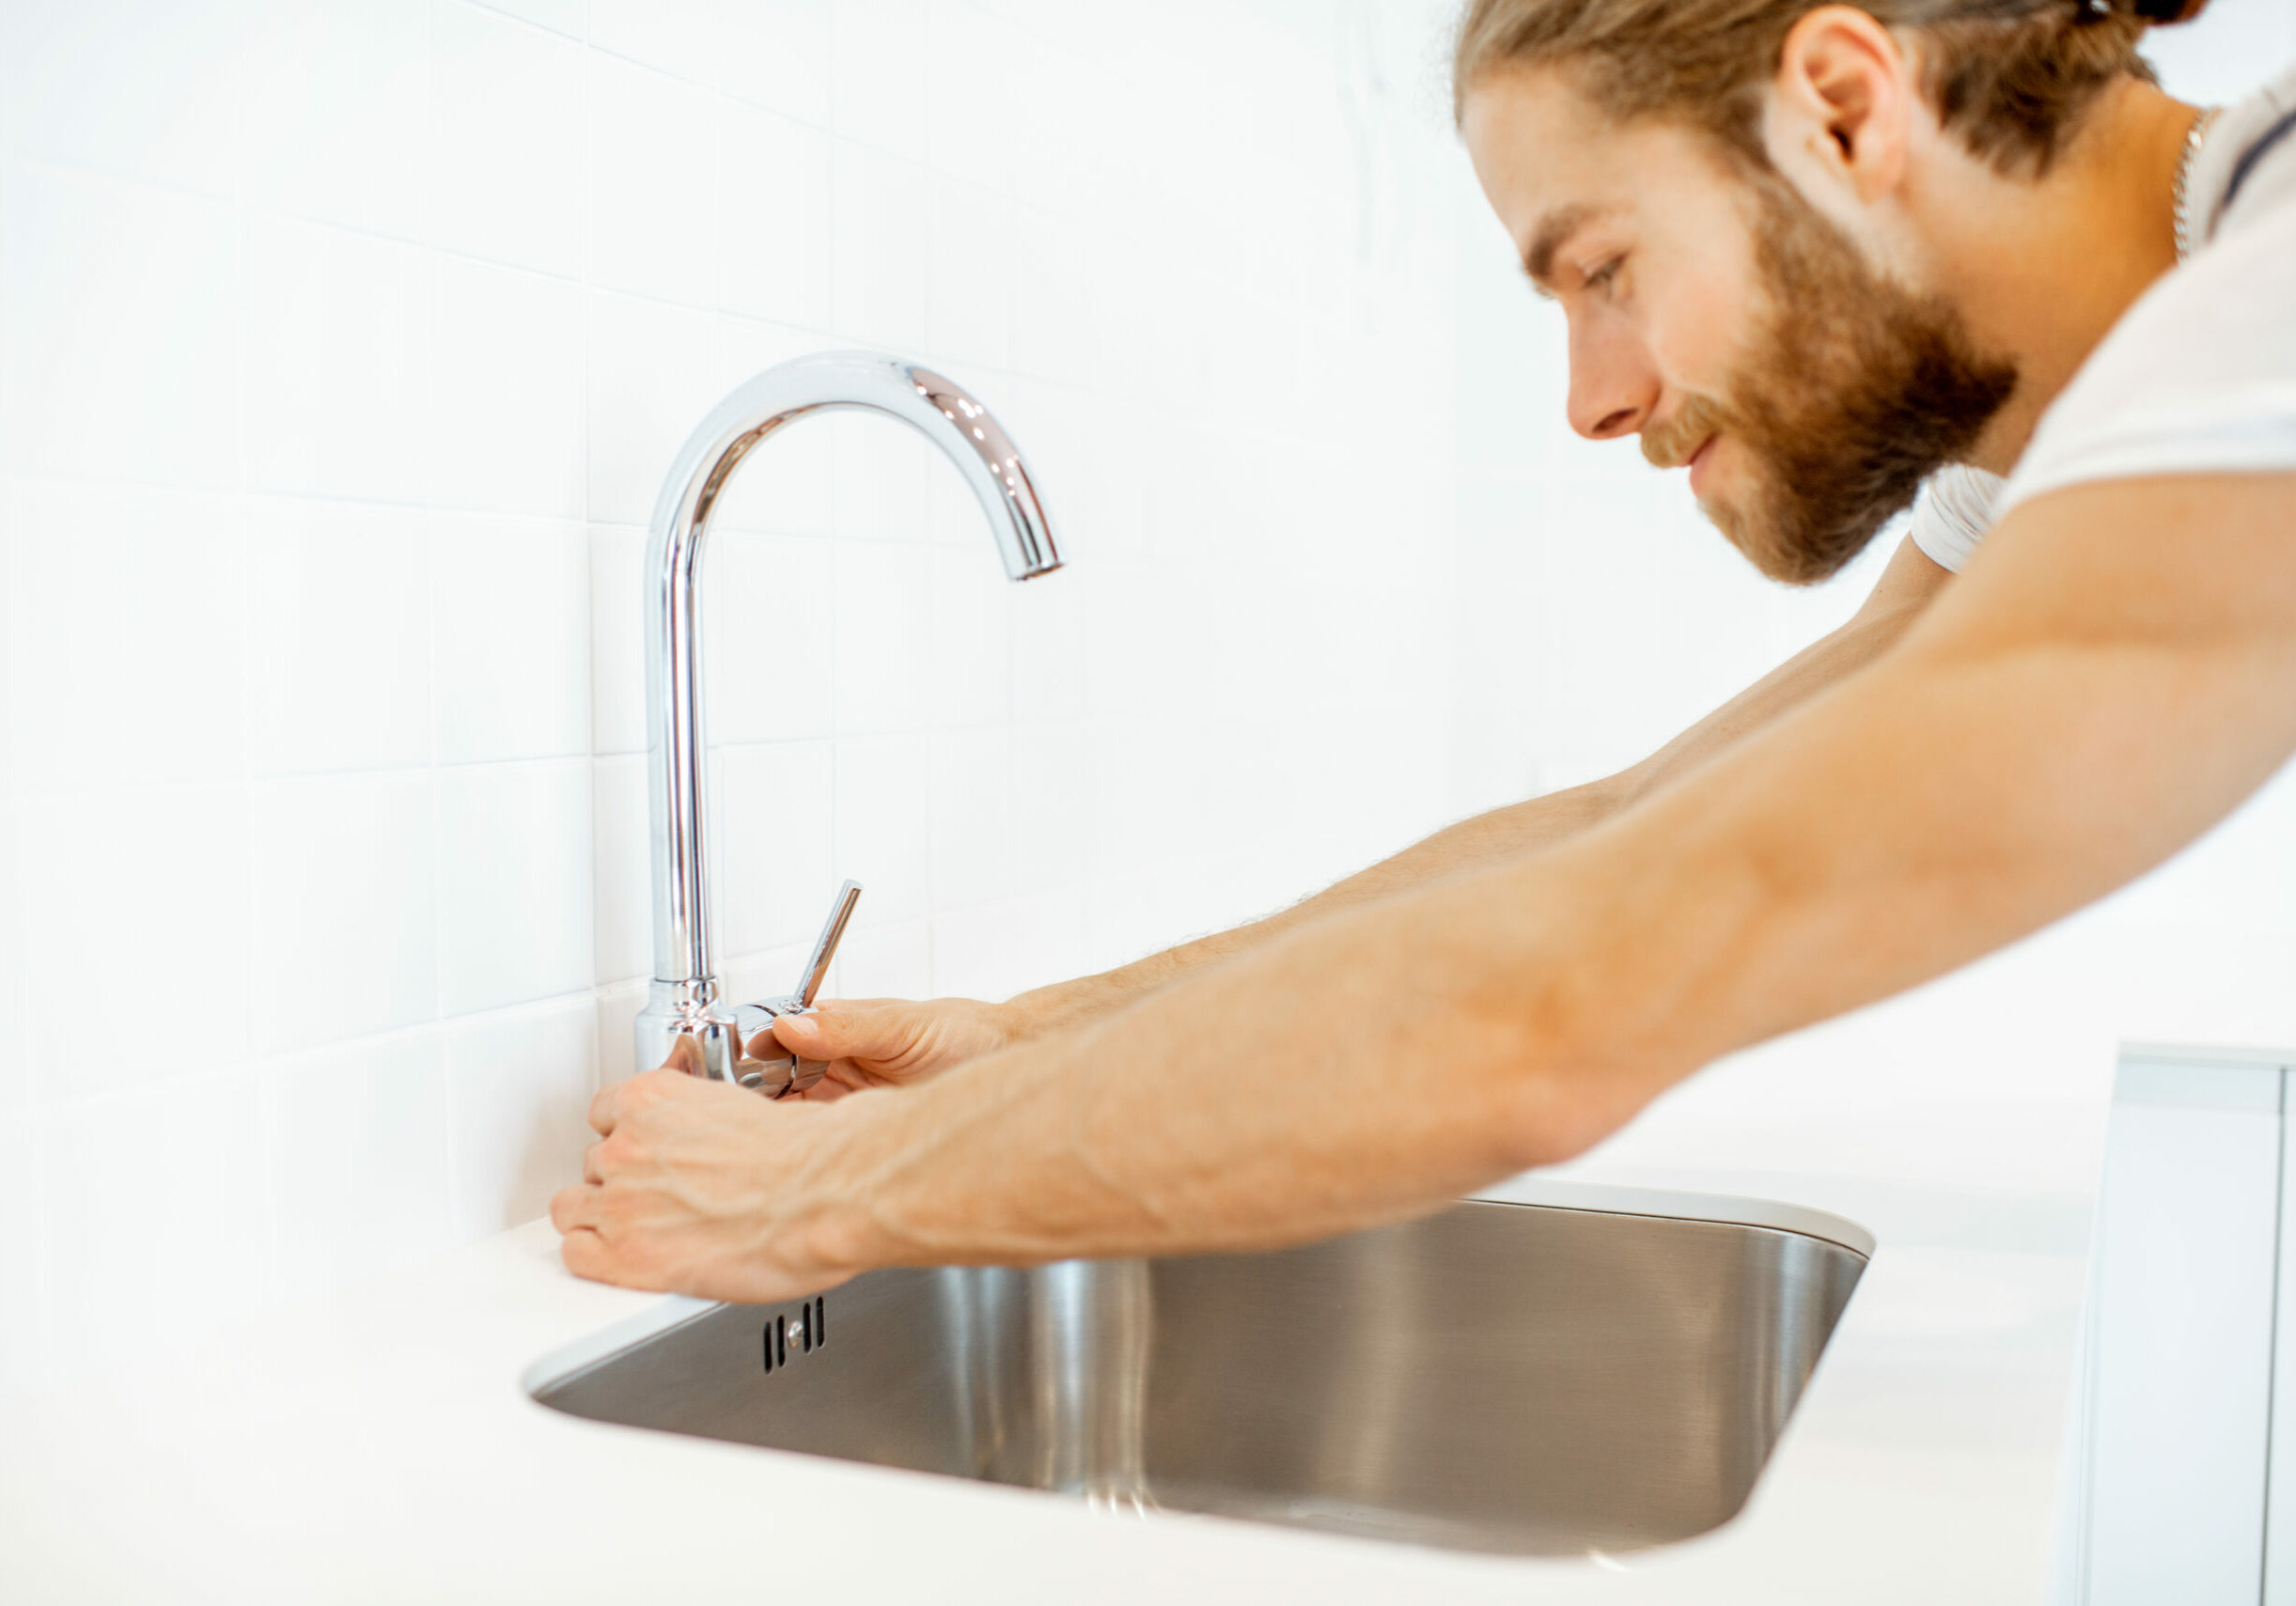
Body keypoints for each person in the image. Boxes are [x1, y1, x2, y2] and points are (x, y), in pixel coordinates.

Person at [552, 0, 2296, 1303]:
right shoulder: (2126, 386)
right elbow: (1638, 825)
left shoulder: (2264, 331)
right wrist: (1027, 1039)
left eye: (1602, 268)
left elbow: (1556, 1008)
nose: (1593, 397)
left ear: (1844, 106)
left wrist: (814, 1197)